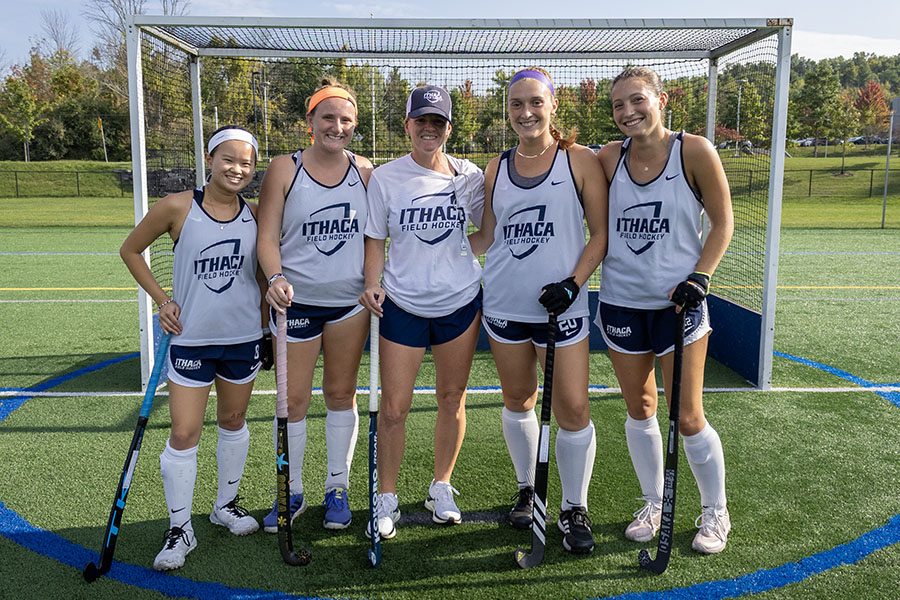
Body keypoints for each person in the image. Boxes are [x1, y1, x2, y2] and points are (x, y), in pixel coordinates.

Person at [594, 66, 735, 554]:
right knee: (640, 408)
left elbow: (722, 222)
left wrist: (701, 275)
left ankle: (716, 511)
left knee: (687, 414)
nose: (628, 112)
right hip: (620, 303)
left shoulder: (693, 150)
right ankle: (654, 501)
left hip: (678, 305)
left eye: (637, 100)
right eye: (618, 106)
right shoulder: (607, 159)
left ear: (662, 99)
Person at [468, 67, 608, 554]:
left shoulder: (579, 161)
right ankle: (528, 488)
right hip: (505, 303)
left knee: (572, 406)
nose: (525, 113)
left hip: (561, 309)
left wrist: (573, 285)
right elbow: (486, 238)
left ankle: (573, 506)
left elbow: (601, 234)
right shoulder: (496, 167)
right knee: (518, 399)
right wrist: (425, 247)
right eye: (516, 105)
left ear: (553, 106)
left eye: (535, 103)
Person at [120, 125, 267, 571]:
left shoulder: (258, 214)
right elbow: (130, 250)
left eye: (246, 163)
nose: (237, 169)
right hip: (191, 338)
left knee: (233, 420)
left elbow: (261, 274)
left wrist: (266, 326)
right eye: (228, 159)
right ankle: (180, 527)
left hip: (242, 338)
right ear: (209, 159)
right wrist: (163, 301)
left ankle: (225, 505)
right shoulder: (178, 207)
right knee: (184, 433)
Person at [359, 85, 485, 539]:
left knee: (452, 399)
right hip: (403, 305)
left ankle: (441, 486)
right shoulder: (386, 178)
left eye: (438, 122)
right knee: (394, 408)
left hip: (459, 303)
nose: (429, 129)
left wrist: (453, 256)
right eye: (421, 121)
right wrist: (372, 282)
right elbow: (375, 237)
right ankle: (386, 496)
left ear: (449, 128)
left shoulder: (468, 176)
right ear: (407, 125)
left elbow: (486, 234)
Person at [257, 78, 373, 533]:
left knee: (341, 394)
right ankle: (292, 490)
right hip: (295, 303)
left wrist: (372, 282)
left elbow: (373, 237)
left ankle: (337, 488)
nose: (337, 126)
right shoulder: (284, 169)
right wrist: (276, 277)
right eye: (328, 117)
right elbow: (267, 237)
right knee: (294, 399)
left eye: (346, 120)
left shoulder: (365, 170)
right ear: (310, 121)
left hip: (349, 304)